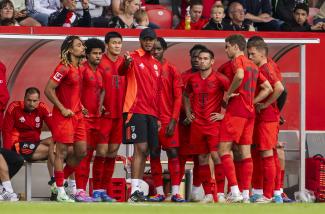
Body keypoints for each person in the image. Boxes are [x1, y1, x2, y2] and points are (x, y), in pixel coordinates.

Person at [218, 34, 272, 203]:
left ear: (235, 46)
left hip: (236, 111)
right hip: (250, 113)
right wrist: (253, 101)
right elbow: (268, 88)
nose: (226, 50)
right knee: (245, 153)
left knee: (223, 150)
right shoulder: (254, 66)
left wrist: (228, 94)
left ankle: (235, 192)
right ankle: (246, 195)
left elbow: (239, 75)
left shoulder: (238, 60)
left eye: (227, 46)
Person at [118, 28, 161, 202]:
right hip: (135, 110)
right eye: (146, 39)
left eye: (151, 40)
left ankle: (137, 189)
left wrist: (157, 116)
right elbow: (122, 71)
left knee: (147, 151)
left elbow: (156, 92)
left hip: (151, 113)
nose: (149, 42)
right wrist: (126, 63)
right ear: (141, 40)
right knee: (140, 148)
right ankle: (134, 190)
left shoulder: (156, 63)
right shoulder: (133, 58)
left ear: (155, 41)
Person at [44, 35, 87, 202]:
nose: (82, 47)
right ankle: (61, 192)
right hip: (64, 117)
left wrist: (80, 105)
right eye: (79, 45)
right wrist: (62, 109)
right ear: (69, 49)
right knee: (61, 153)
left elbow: (73, 93)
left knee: (82, 152)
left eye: (82, 45)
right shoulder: (63, 68)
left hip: (77, 116)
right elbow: (48, 90)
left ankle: (57, 182)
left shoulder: (79, 68)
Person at [184, 48, 229, 203]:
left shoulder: (220, 78)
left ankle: (221, 194)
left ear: (212, 61)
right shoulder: (192, 79)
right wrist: (189, 112)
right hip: (197, 125)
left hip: (213, 124)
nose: (201, 61)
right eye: (199, 58)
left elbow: (234, 97)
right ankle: (209, 194)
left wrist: (225, 115)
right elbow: (185, 95)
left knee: (217, 157)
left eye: (205, 58)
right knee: (202, 159)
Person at [246, 36, 285, 203]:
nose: (249, 57)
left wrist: (266, 104)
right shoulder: (270, 65)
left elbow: (280, 89)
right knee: (268, 154)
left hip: (266, 118)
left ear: (261, 54)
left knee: (267, 153)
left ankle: (268, 195)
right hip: (267, 117)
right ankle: (274, 192)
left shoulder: (266, 68)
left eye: (252, 54)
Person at [149, 37, 185, 202]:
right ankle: (159, 192)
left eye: (158, 49)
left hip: (167, 119)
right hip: (150, 119)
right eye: (153, 49)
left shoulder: (172, 69)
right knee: (154, 153)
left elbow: (178, 97)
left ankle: (176, 192)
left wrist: (173, 120)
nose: (155, 51)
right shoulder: (145, 68)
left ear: (164, 49)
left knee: (172, 152)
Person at [92, 31, 124, 202]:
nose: (117, 46)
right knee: (102, 152)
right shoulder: (100, 61)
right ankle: (96, 189)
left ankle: (104, 190)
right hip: (104, 115)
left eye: (119, 42)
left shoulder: (124, 63)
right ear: (107, 44)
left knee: (112, 153)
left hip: (119, 116)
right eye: (114, 43)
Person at [74, 38, 105, 202]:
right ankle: (79, 189)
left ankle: (86, 191)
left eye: (100, 53)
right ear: (87, 54)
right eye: (95, 53)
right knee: (83, 155)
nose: (98, 56)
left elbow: (102, 90)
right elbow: (74, 90)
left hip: (97, 119)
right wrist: (79, 105)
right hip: (84, 119)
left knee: (93, 153)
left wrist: (101, 105)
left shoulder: (100, 72)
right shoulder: (82, 70)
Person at [2, 87, 55, 179]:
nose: (31, 104)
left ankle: (56, 183)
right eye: (29, 100)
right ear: (24, 98)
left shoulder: (42, 107)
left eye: (35, 101)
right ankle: (55, 183)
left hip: (36, 143)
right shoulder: (14, 107)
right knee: (56, 152)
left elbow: (55, 129)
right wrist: (8, 154)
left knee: (57, 142)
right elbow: (6, 132)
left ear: (39, 100)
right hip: (18, 145)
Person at [178, 44, 207, 202]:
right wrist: (187, 115)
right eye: (194, 56)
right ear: (190, 58)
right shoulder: (183, 76)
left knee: (200, 157)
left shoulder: (211, 77)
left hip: (202, 124)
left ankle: (197, 189)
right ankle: (176, 190)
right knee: (181, 156)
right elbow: (179, 97)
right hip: (184, 123)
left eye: (200, 57)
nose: (197, 60)